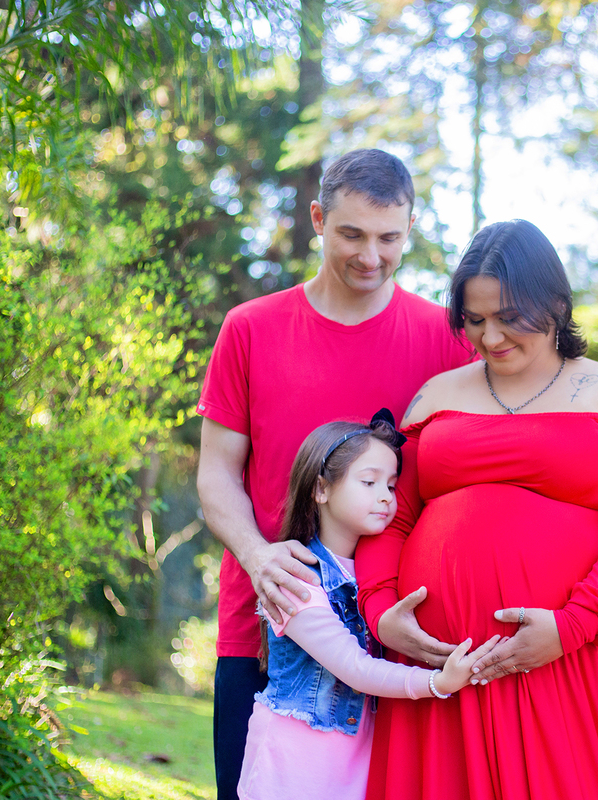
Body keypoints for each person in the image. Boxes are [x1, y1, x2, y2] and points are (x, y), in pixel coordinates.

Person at [357, 219, 598, 799]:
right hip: (443, 671)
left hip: (567, 657)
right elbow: (390, 516)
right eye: (474, 320)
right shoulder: (436, 396)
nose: (491, 337)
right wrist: (382, 611)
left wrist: (573, 625)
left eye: (509, 317)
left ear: (554, 304)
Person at [196, 149, 474, 799]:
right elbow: (215, 476)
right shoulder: (249, 329)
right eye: (351, 234)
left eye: (389, 238)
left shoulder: (447, 340)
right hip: (264, 628)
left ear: (410, 228)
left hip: (396, 640)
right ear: (318, 219)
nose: (371, 256)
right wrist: (258, 556)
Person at [238, 413, 500, 800]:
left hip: (358, 761)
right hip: (294, 764)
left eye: (391, 485)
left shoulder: (382, 579)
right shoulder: (296, 579)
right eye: (369, 482)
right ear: (321, 489)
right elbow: (354, 668)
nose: (386, 497)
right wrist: (438, 683)